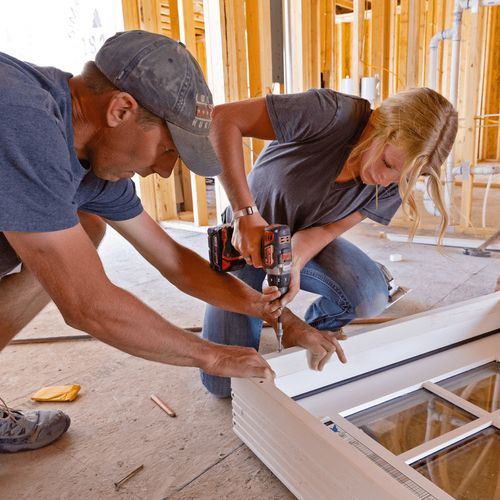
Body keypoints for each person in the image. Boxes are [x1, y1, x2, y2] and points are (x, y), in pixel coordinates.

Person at [0, 30, 345, 453]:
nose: (164, 173)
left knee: (85, 229)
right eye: (167, 149)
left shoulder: (93, 168)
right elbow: (87, 304)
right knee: (73, 257)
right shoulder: (20, 115)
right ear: (121, 109)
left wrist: (270, 312)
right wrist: (214, 356)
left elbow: (174, 261)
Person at [201, 86, 458, 397]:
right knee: (223, 385)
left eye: (401, 178)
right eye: (389, 164)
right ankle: (275, 314)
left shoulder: (395, 180)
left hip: (302, 237)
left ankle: (318, 325)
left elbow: (324, 232)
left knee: (369, 294)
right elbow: (221, 119)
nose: (386, 181)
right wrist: (245, 214)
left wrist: (293, 263)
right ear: (379, 125)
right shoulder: (330, 113)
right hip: (246, 238)